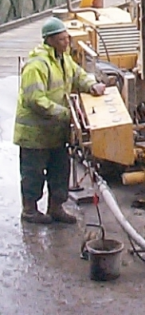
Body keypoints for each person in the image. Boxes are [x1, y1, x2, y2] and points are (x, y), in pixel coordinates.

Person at [13, 17, 106, 224]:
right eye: (63, 39)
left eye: (67, 38)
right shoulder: (36, 66)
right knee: (33, 173)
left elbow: (78, 75)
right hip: (34, 135)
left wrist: (92, 85)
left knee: (59, 170)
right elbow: (35, 100)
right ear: (50, 40)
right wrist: (67, 114)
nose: (67, 42)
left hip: (55, 133)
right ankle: (30, 210)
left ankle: (56, 207)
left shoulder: (63, 60)